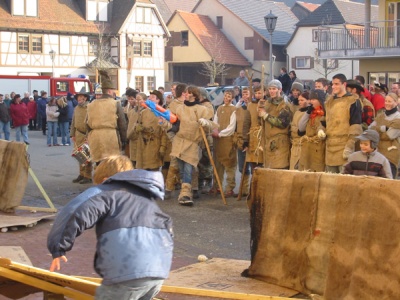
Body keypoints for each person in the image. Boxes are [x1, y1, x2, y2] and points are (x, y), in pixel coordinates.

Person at [47, 155, 173, 300]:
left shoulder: (106, 192)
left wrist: (58, 247)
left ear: (105, 179)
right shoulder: (145, 196)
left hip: (127, 271)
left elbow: (74, 212)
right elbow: (166, 227)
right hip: (158, 270)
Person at [169, 86, 215, 206]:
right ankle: (184, 193)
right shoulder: (179, 108)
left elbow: (211, 125)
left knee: (188, 169)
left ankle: (185, 194)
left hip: (193, 143)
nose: (185, 94)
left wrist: (206, 123)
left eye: (188, 93)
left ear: (194, 95)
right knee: (182, 170)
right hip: (179, 142)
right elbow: (174, 125)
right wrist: (164, 123)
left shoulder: (202, 109)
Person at [324, 73, 363, 173]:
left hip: (344, 145)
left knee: (344, 182)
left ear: (344, 84)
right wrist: (321, 129)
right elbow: (325, 121)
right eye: (332, 84)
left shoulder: (353, 101)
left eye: (336, 84)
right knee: (330, 182)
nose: (333, 87)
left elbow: (356, 125)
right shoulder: (329, 101)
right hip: (330, 147)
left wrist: (349, 146)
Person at [86, 76, 127, 164]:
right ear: (109, 91)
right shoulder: (115, 103)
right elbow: (122, 124)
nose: (114, 93)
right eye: (113, 91)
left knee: (98, 162)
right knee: (111, 162)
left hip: (95, 136)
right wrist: (124, 140)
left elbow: (87, 123)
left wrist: (89, 136)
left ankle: (99, 177)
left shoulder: (91, 105)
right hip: (110, 136)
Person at [258, 79, 292, 169]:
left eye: (274, 89)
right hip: (268, 143)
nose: (271, 91)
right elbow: (261, 122)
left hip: (280, 143)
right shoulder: (268, 103)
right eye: (270, 89)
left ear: (279, 90)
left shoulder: (284, 104)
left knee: (280, 170)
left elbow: (282, 123)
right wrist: (260, 109)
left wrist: (265, 115)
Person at [211, 89, 237, 197]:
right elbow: (215, 122)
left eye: (229, 96)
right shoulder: (219, 108)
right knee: (217, 164)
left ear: (233, 98)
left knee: (229, 165)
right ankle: (217, 186)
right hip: (219, 141)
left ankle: (229, 188)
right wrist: (215, 130)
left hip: (228, 140)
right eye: (225, 96)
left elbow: (231, 127)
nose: (226, 98)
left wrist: (221, 133)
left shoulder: (234, 110)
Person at [369, 92, 400, 179]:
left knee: (388, 182)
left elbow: (389, 136)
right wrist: (383, 128)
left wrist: (377, 129)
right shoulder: (380, 116)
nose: (387, 103)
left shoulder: (398, 118)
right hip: (377, 153)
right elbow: (369, 130)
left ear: (396, 102)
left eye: (390, 101)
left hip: (391, 155)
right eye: (386, 101)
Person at [135, 90, 166, 171]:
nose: (150, 98)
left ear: (158, 100)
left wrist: (163, 147)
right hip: (143, 145)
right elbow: (137, 125)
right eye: (150, 96)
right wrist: (138, 128)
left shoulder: (162, 113)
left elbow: (164, 133)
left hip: (155, 144)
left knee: (153, 170)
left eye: (153, 97)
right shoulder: (143, 112)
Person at [298, 89, 326, 172]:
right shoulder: (310, 113)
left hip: (318, 148)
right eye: (310, 99)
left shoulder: (325, 113)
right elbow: (301, 128)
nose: (310, 101)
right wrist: (307, 113)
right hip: (307, 147)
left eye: (313, 99)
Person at [70, 92, 93, 184]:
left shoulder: (90, 108)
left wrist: (89, 136)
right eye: (78, 97)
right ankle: (81, 174)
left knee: (86, 156)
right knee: (79, 155)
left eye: (81, 97)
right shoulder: (76, 108)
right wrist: (72, 134)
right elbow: (73, 122)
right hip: (78, 134)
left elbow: (91, 123)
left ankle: (88, 176)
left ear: (85, 98)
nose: (79, 99)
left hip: (86, 135)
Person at [242, 86, 264, 172]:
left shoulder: (267, 104)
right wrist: (245, 140)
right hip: (253, 138)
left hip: (263, 138)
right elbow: (246, 123)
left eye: (260, 93)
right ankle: (253, 183)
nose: (258, 95)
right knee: (253, 165)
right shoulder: (250, 105)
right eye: (256, 93)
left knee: (262, 165)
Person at [235, 87, 251, 196]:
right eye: (243, 94)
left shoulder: (254, 107)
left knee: (254, 167)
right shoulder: (240, 109)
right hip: (241, 140)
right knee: (242, 167)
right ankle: (244, 189)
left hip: (252, 141)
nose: (245, 96)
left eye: (247, 93)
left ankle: (253, 189)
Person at [289, 91, 309, 170]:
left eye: (302, 100)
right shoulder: (297, 112)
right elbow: (292, 126)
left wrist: (297, 130)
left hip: (303, 145)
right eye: (299, 100)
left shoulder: (309, 113)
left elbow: (304, 129)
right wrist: (295, 129)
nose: (300, 102)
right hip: (295, 145)